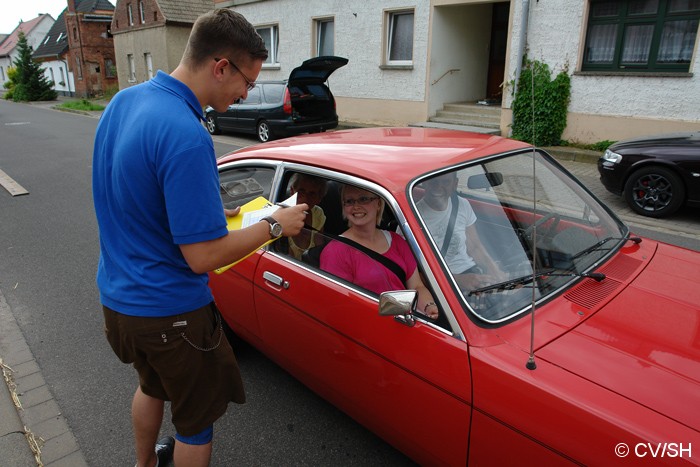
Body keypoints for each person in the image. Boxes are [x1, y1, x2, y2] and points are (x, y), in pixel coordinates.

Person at [92, 9, 308, 467]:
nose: (246, 93)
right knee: (195, 423)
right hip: (170, 313)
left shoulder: (123, 103)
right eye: (246, 81)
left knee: (150, 386)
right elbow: (203, 257)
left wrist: (210, 213)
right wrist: (274, 226)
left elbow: (133, 194)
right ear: (220, 66)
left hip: (119, 301)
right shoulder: (187, 133)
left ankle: (144, 464)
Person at [320, 185, 439, 319]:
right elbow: (340, 306)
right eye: (349, 201)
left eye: (363, 199)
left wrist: (429, 307)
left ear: (378, 203)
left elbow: (417, 286)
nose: (356, 206)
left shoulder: (397, 241)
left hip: (406, 321)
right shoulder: (335, 252)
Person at [417, 172, 504, 292]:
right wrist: (458, 280)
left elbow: (475, 247)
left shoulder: (462, 204)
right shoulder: (413, 218)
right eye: (433, 182)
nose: (438, 187)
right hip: (444, 285)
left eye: (445, 182)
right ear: (424, 182)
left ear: (455, 184)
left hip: (473, 272)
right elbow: (415, 275)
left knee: (525, 272)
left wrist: (493, 268)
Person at [287, 173, 328, 260]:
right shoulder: (283, 216)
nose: (305, 198)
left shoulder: (318, 213)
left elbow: (319, 250)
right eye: (301, 191)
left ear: (319, 198)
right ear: (292, 191)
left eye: (312, 193)